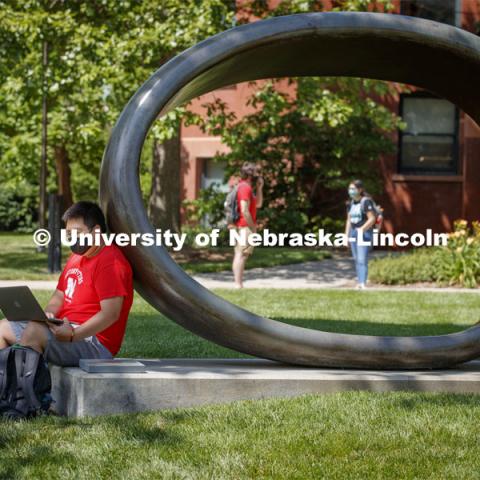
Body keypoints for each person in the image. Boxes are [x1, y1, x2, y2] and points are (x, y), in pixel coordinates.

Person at [0, 201, 134, 366]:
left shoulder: (111, 262)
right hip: (63, 328)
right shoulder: (76, 258)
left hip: (95, 343)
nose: (73, 239)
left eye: (77, 233)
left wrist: (73, 334)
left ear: (97, 231)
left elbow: (110, 314)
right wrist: (47, 315)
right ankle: (6, 385)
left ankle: (26, 390)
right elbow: (59, 296)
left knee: (34, 332)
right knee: (3, 328)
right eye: (69, 234)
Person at [232, 162, 263, 288]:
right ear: (250, 174)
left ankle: (238, 283)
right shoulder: (245, 187)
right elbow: (244, 209)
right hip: (245, 226)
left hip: (243, 226)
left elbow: (258, 204)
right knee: (242, 254)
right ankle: (238, 284)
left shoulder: (247, 187)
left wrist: (260, 188)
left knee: (240, 254)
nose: (258, 176)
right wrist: (252, 226)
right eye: (257, 173)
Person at [345, 179, 377, 289]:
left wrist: (362, 229)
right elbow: (348, 220)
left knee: (362, 258)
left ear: (360, 189)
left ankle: (363, 283)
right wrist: (346, 236)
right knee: (356, 258)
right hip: (353, 232)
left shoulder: (366, 202)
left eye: (353, 189)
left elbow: (372, 218)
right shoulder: (350, 203)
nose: (351, 191)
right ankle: (359, 282)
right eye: (350, 189)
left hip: (364, 233)